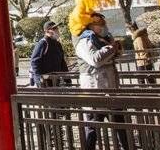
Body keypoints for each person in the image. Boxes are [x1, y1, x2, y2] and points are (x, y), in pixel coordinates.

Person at [75, 12, 129, 150]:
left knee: (120, 124)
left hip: (111, 89)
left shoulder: (103, 39)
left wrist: (115, 48)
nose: (103, 27)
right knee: (93, 127)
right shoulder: (84, 41)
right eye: (100, 24)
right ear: (91, 25)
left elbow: (111, 56)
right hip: (95, 89)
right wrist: (111, 48)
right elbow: (95, 60)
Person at [30, 21, 70, 87]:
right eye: (54, 29)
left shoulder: (58, 44)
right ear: (47, 31)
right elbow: (34, 61)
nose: (57, 30)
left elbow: (62, 62)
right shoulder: (43, 43)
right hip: (45, 80)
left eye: (57, 28)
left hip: (56, 79)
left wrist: (67, 79)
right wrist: (39, 79)